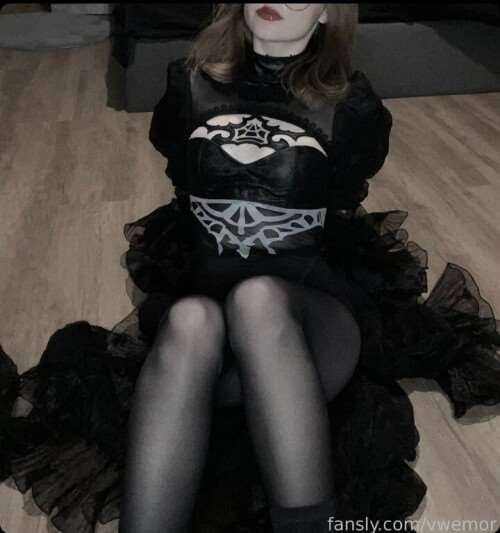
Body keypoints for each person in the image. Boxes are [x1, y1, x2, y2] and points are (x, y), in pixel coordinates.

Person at [0, 4, 499, 533]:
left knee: (256, 298)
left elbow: (343, 202)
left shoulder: (351, 105)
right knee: (190, 318)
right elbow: (181, 182)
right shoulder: (188, 86)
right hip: (209, 322)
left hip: (309, 320)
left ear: (327, 14)